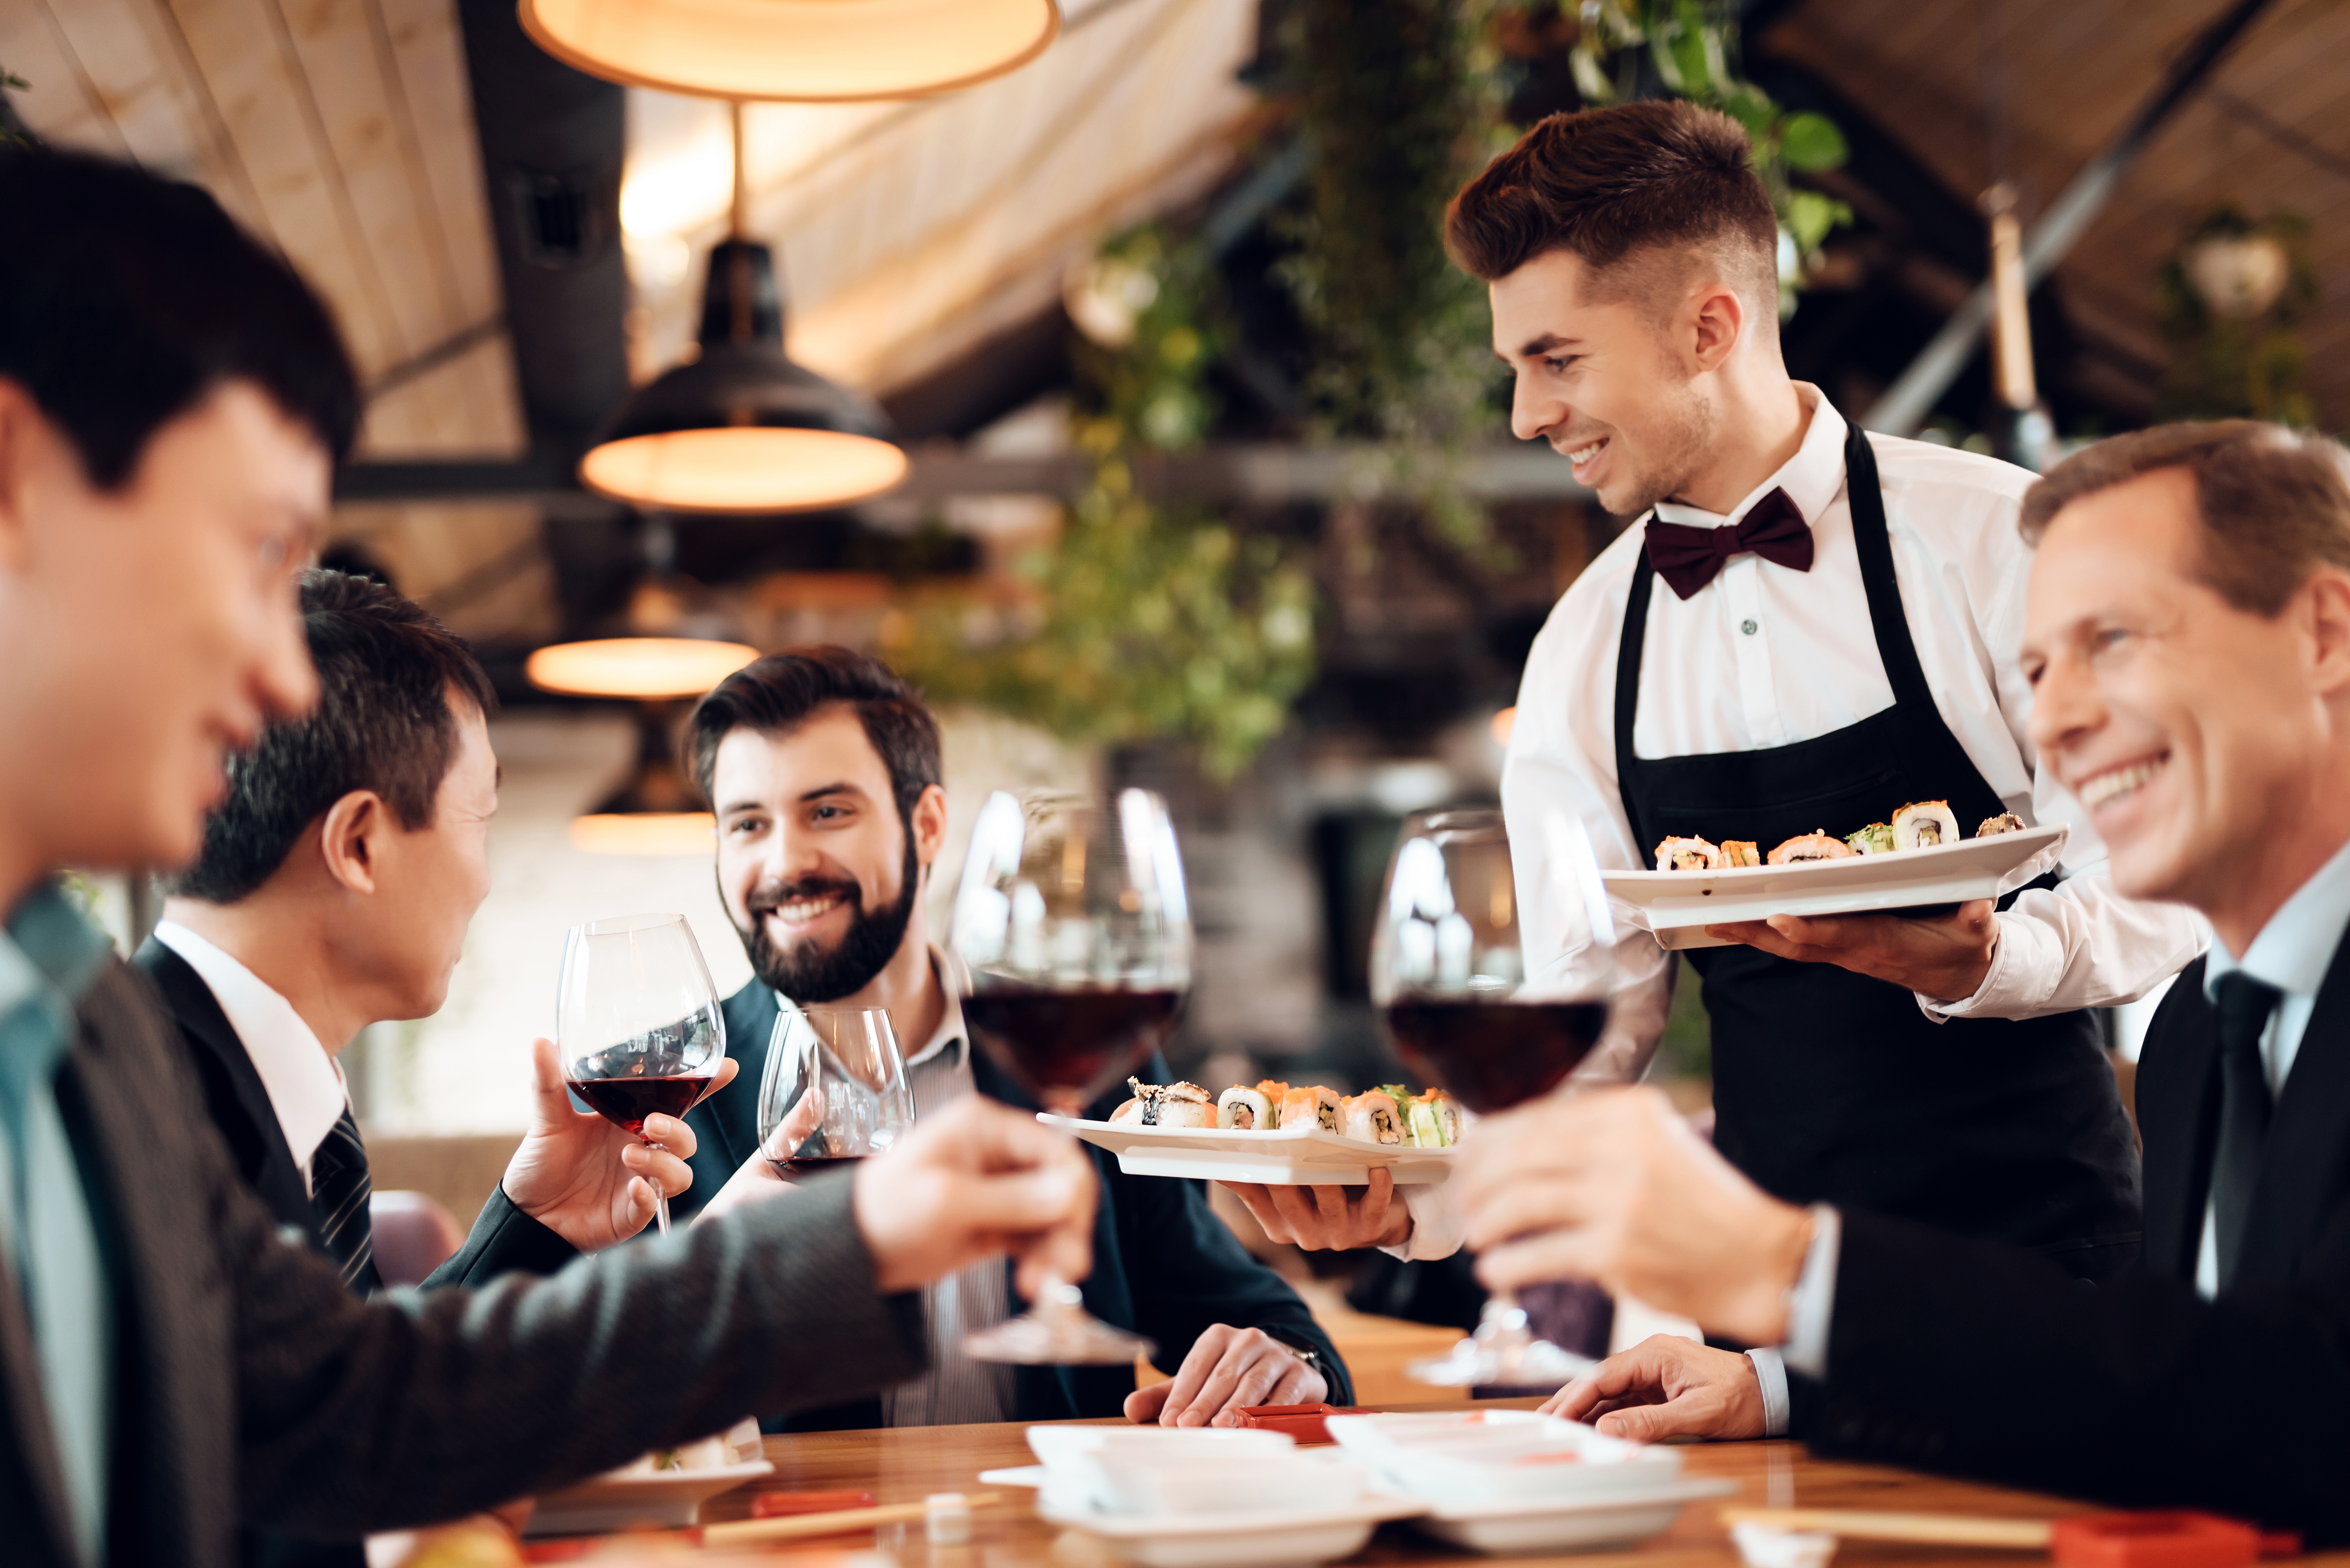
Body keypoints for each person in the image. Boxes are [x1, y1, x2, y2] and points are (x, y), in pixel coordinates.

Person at [0, 141, 1095, 1568]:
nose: (282, 679)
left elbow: (340, 1404)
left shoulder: (73, 1015)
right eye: (255, 552)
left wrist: (833, 1241)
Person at [1239, 100, 2205, 1290]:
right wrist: (1400, 1203)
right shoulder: (1583, 650)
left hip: (2058, 1278)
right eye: (1516, 370)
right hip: (1770, 1317)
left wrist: (1983, 962)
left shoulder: (1999, 540)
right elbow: (1581, 1041)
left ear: (1710, 325)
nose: (1527, 417)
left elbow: (2167, 895)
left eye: (1557, 360)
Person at [1453, 422, 2350, 1540]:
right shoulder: (2199, 1039)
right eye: (2036, 670)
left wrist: (1793, 1270)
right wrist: (1782, 1386)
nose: (2057, 725)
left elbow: (2316, 1409)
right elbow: (2182, 1392)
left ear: (2322, 632)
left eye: (2113, 642)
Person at [675, 649, 1352, 1427]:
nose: (785, 861)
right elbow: (535, 1390)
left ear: (926, 825)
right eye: (749, 823)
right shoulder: (667, 1093)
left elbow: (1241, 1308)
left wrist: (1287, 1364)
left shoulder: (1081, 1064)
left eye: (829, 811)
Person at [143, 569, 720, 1303]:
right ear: (359, 844)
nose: (484, 882)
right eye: (478, 821)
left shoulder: (252, 1091)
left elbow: (350, 1398)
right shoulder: (132, 1118)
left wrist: (539, 1225)